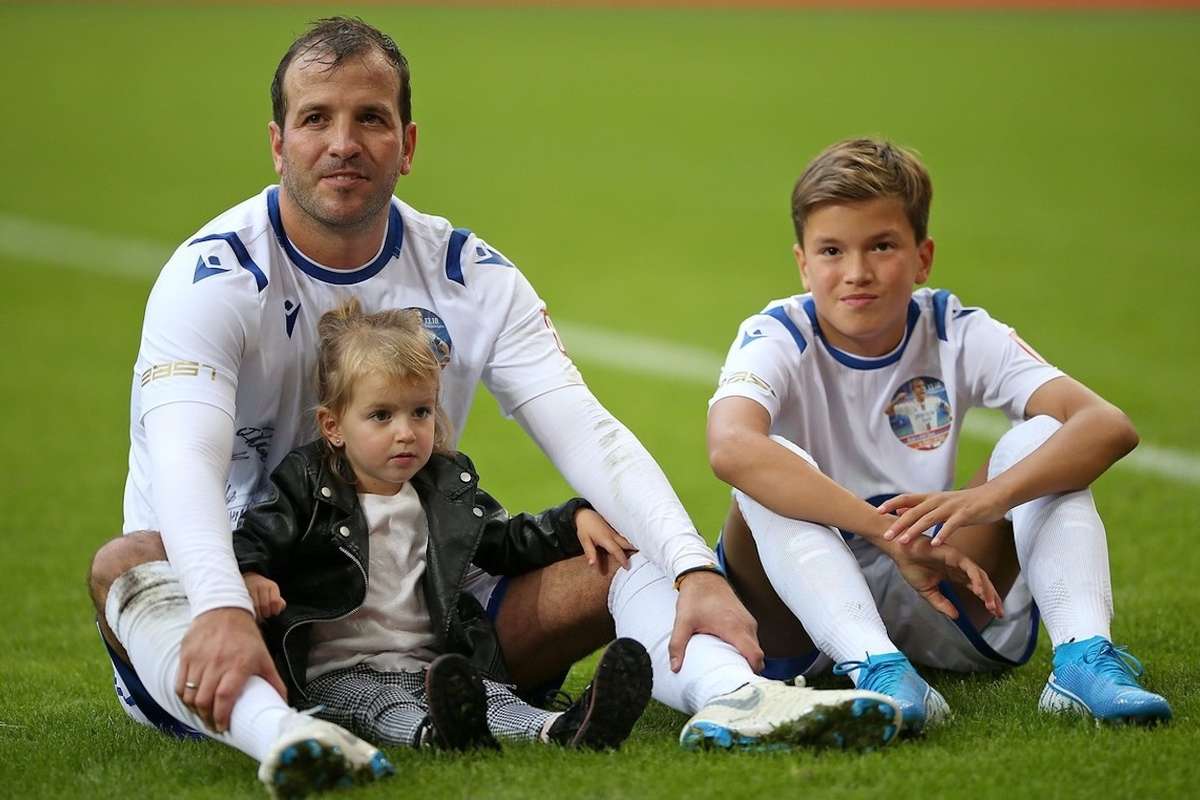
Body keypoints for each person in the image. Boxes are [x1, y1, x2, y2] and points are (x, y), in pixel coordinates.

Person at [86, 18, 905, 795]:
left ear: (407, 145)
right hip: (245, 609)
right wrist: (225, 604)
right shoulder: (217, 277)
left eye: (371, 118)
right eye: (315, 119)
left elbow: (583, 428)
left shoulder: (468, 272)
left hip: (421, 609)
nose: (342, 143)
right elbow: (183, 459)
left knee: (618, 537)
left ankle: (734, 697)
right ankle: (286, 736)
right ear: (277, 143)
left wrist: (694, 568)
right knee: (125, 559)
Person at [706, 137, 1173, 732]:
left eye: (881, 246)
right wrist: (888, 533)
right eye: (831, 250)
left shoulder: (954, 326)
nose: (856, 272)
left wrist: (987, 499)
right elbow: (730, 447)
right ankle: (876, 666)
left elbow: (1106, 425)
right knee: (765, 464)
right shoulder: (778, 333)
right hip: (800, 607)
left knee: (1041, 436)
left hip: (943, 579)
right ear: (802, 263)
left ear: (923, 257)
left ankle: (1083, 660)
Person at [235, 300, 652, 754]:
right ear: (333, 426)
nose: (406, 432)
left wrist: (571, 520)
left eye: (421, 412)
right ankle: (435, 735)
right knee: (381, 704)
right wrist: (251, 573)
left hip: (433, 663)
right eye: (381, 416)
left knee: (490, 695)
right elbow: (258, 534)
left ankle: (562, 728)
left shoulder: (443, 486)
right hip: (336, 671)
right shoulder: (307, 482)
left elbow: (506, 542)